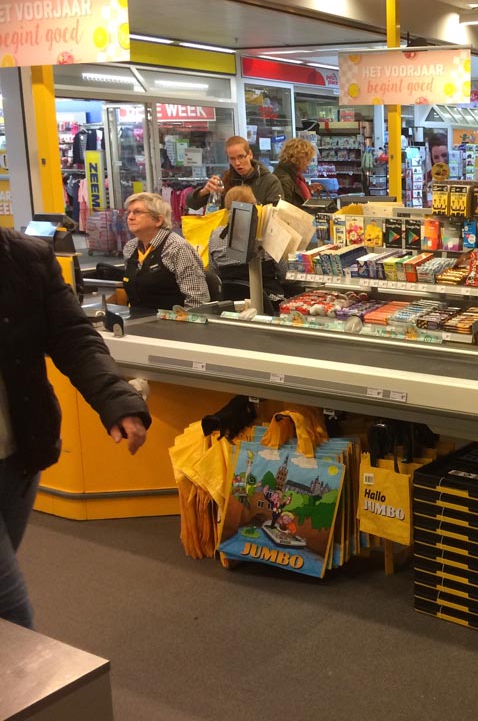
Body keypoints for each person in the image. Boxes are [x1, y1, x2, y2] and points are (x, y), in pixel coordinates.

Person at [0, 227, 151, 628]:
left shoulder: (26, 258)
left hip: (17, 456)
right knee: (10, 611)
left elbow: (74, 338)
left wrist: (116, 401)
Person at [209, 185, 292, 310]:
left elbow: (214, 273)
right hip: (268, 301)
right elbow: (284, 274)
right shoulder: (264, 235)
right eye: (255, 203)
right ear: (250, 208)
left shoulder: (216, 235)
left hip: (231, 302)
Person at [123, 192, 209, 310]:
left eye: (137, 212)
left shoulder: (177, 248)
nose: (130, 217)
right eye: (129, 212)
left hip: (172, 319)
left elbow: (197, 302)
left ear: (158, 220)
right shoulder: (130, 247)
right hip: (137, 318)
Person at [186, 136, 283, 212]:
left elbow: (276, 216)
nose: (237, 163)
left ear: (250, 154)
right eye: (232, 158)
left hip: (257, 231)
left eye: (241, 157)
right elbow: (191, 204)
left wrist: (250, 202)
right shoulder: (225, 178)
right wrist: (203, 192)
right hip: (227, 231)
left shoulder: (270, 181)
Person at [274, 138, 317, 207]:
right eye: (307, 159)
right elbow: (285, 209)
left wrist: (309, 189)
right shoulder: (284, 179)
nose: (308, 163)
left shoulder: (296, 177)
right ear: (300, 159)